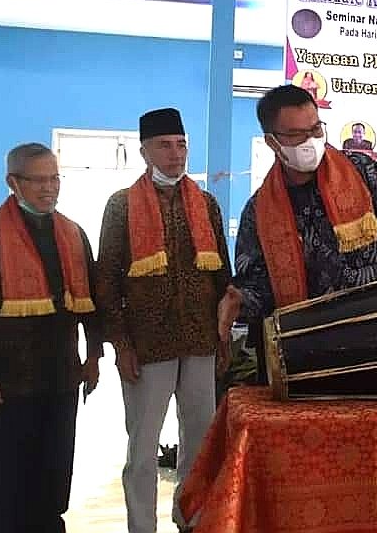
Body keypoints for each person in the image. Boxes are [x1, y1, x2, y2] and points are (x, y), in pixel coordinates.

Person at [219, 85, 377, 384]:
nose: (310, 140)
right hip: (307, 351)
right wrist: (239, 300)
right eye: (296, 135)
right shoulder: (258, 212)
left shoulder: (362, 172)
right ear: (271, 142)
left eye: (315, 129)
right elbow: (259, 286)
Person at [97, 108, 232, 533]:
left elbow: (222, 276)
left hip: (200, 340)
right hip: (147, 345)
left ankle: (191, 520)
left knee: (199, 442)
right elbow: (106, 281)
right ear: (144, 151)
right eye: (164, 146)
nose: (176, 154)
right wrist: (120, 345)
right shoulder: (121, 206)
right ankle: (141, 526)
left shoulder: (205, 204)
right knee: (142, 449)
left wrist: (224, 336)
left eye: (181, 145)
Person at [0, 142, 102, 533]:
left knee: (52, 489)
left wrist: (93, 356)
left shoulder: (72, 234)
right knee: (6, 492)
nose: (49, 188)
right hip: (4, 388)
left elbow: (92, 300)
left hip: (60, 381)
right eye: (38, 180)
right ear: (13, 182)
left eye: (54, 178)